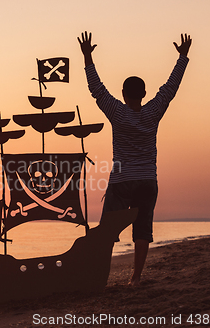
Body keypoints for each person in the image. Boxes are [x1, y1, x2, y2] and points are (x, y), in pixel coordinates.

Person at [77, 31, 191, 286]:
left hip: (122, 181)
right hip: (148, 180)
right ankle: (136, 277)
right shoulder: (153, 111)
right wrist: (182, 57)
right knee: (142, 229)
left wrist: (87, 57)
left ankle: (100, 278)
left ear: (123, 93)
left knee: (108, 230)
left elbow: (97, 90)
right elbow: (170, 89)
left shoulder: (117, 112)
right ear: (144, 93)